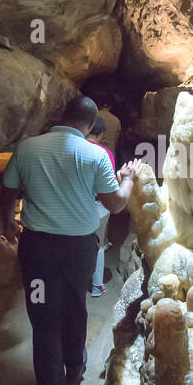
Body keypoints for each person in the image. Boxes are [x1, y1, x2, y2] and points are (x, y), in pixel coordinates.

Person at [0, 96, 143, 385]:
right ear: (92, 126)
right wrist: (129, 178)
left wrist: (6, 221)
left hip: (37, 250)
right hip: (79, 249)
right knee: (75, 304)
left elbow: (7, 190)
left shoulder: (27, 148)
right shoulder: (96, 155)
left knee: (44, 320)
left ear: (60, 115)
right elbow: (116, 204)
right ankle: (74, 365)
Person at [85, 117, 117, 297]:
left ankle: (75, 282)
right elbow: (109, 184)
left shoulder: (73, 149)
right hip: (98, 205)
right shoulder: (105, 153)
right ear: (102, 134)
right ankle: (97, 285)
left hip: (77, 203)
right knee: (98, 244)